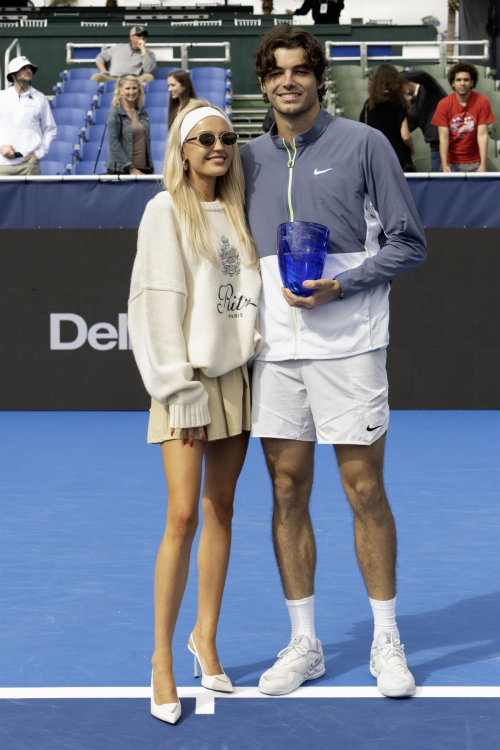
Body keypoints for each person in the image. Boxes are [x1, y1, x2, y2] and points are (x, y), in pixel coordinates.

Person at [240, 23, 426, 699]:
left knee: (364, 492)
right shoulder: (246, 158)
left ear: (317, 77)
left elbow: (410, 244)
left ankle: (386, 639)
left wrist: (340, 285)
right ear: (263, 83)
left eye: (299, 70)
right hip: (275, 355)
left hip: (349, 349)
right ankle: (305, 644)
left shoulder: (367, 144)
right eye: (275, 72)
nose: (287, 81)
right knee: (287, 491)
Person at [128, 100, 262, 724]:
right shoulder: (164, 211)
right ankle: (161, 658)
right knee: (181, 517)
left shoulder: (238, 211)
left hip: (237, 380)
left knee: (221, 509)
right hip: (188, 386)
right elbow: (154, 307)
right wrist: (178, 388)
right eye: (203, 137)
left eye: (227, 136)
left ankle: (204, 637)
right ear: (181, 150)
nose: (218, 146)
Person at [431, 62, 495, 173]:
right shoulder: (444, 104)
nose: (462, 83)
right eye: (458, 80)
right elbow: (443, 137)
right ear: (452, 83)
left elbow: (482, 134)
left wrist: (483, 164)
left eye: (466, 80)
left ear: (472, 83)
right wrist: (444, 164)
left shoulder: (482, 101)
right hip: (451, 161)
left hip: (475, 161)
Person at [0, 56, 56, 176]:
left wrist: (39, 154)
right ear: (13, 74)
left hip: (29, 165)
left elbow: (51, 130)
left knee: (32, 196)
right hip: (2, 164)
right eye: (24, 68)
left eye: (30, 68)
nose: (29, 71)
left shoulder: (40, 98)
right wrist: (0, 147)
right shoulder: (1, 97)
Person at [360, 64, 415, 172]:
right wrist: (411, 149)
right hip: (398, 158)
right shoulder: (398, 102)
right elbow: (405, 136)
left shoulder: (369, 104)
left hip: (375, 157)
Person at [105, 75, 153, 175]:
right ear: (120, 91)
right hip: (122, 170)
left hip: (144, 170)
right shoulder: (115, 113)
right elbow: (114, 145)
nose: (131, 92)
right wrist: (131, 168)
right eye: (127, 88)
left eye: (134, 88)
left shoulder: (143, 113)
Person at [402, 70, 447, 173]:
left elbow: (423, 75)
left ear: (410, 80)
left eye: (401, 83)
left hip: (452, 145)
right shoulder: (411, 107)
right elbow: (407, 128)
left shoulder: (428, 88)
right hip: (435, 148)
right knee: (438, 184)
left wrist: (395, 77)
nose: (400, 88)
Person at [91, 26, 156, 85]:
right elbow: (100, 57)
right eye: (139, 35)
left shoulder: (148, 54)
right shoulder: (119, 47)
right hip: (114, 78)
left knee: (149, 77)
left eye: (144, 35)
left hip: (133, 80)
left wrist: (143, 49)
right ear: (131, 37)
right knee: (96, 77)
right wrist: (103, 70)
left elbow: (148, 70)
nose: (142, 37)